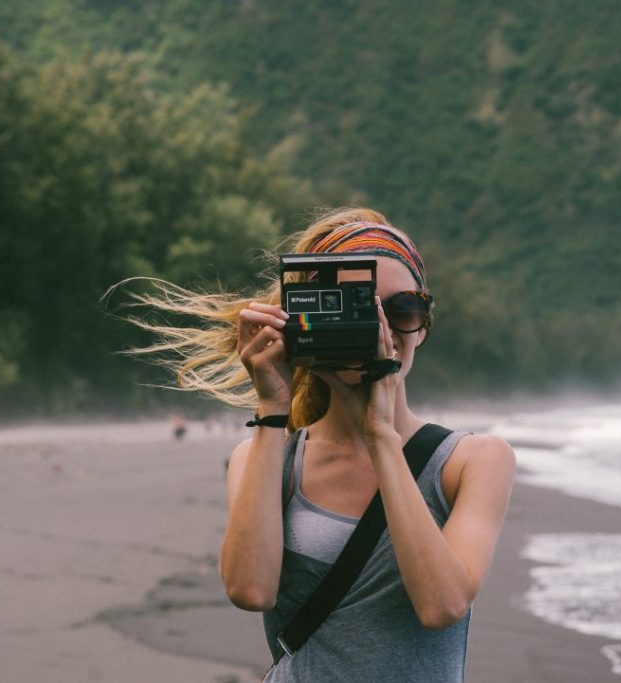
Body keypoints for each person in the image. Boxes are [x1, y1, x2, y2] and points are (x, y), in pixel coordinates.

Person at [130, 207, 516, 682]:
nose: (382, 330)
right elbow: (250, 590)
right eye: (358, 306)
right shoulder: (265, 457)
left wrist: (382, 438)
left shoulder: (473, 461)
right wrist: (273, 407)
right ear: (308, 316)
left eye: (402, 310)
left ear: (424, 326)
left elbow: (442, 605)